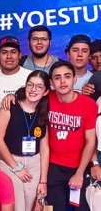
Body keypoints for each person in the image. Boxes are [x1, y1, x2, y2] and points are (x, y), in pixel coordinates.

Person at [0, 70, 50, 211]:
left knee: (32, 206)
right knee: (16, 206)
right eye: (30, 85)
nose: (33, 90)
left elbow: (44, 148)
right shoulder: (10, 106)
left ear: (46, 92)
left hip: (34, 164)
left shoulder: (43, 112)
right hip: (10, 161)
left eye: (39, 86)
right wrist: (16, 167)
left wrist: (43, 180)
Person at [46, 61, 97, 210]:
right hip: (53, 166)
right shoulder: (46, 98)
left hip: (79, 165)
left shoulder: (88, 104)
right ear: (51, 82)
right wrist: (11, 96)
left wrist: (80, 173)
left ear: (74, 79)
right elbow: (26, 95)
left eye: (67, 76)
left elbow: (90, 141)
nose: (62, 82)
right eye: (57, 77)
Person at [0, 35, 32, 115]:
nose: (9, 56)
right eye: (4, 52)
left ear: (20, 55)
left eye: (13, 52)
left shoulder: (31, 77)